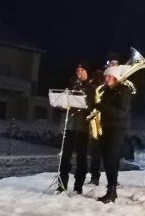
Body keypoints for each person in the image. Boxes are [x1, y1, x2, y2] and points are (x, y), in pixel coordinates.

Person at [95, 65, 132, 204]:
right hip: (106, 127)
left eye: (110, 76)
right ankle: (111, 190)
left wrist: (103, 107)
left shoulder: (124, 90)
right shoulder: (105, 91)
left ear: (116, 78)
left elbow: (121, 112)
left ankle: (112, 191)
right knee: (106, 159)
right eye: (106, 76)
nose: (107, 78)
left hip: (118, 128)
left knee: (111, 158)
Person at [57, 62, 94, 194]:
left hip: (82, 127)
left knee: (81, 158)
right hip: (69, 125)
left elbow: (92, 107)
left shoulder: (91, 88)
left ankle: (78, 187)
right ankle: (61, 185)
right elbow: (64, 105)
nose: (79, 72)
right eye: (77, 70)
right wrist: (62, 104)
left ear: (87, 72)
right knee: (65, 156)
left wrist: (83, 100)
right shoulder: (71, 85)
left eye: (82, 70)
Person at [87, 68, 105, 186]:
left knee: (111, 153)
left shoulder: (109, 87)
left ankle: (112, 178)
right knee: (95, 153)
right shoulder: (93, 88)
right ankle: (94, 177)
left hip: (108, 121)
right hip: (96, 122)